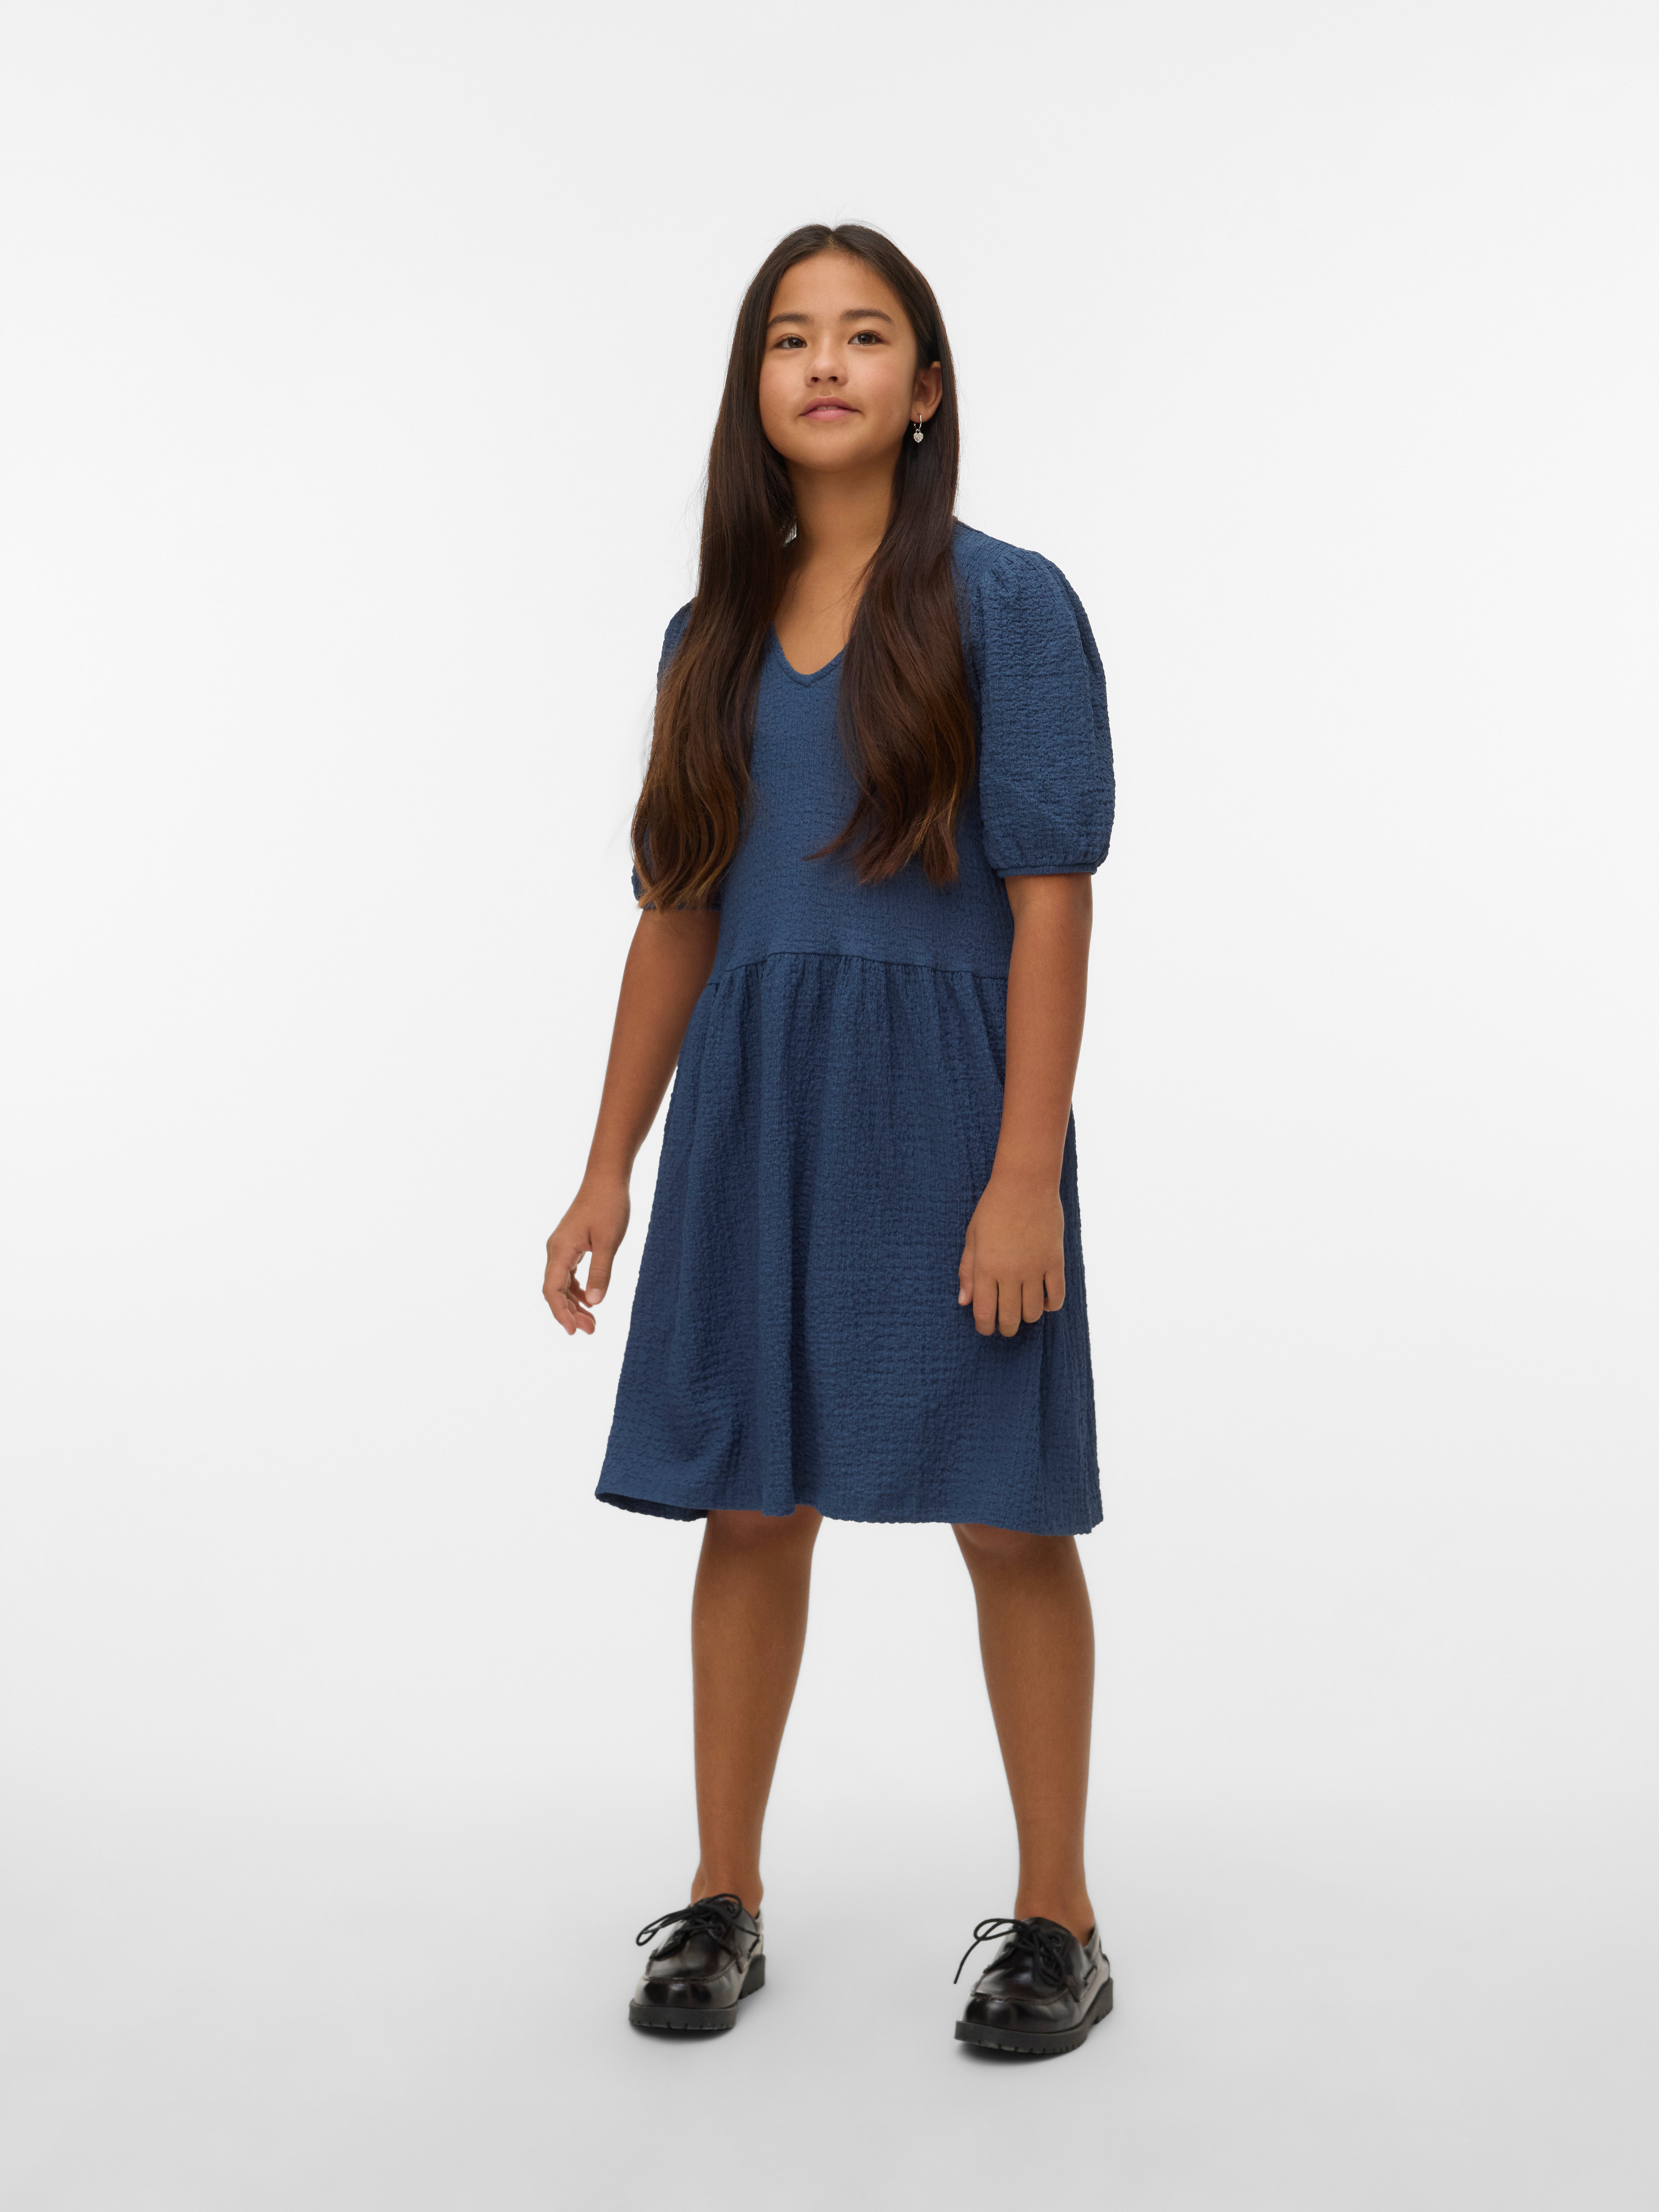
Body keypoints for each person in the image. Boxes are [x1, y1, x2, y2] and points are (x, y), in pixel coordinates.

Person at [544, 223, 1115, 2056]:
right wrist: (608, 1163)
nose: (827, 364)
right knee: (749, 1499)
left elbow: (1051, 902)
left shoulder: (1009, 607)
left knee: (1007, 1510)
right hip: (753, 1121)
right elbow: (678, 914)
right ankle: (724, 1894)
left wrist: (1023, 1172)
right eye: (792, 338)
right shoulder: (707, 638)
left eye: (867, 336)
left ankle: (1059, 1916)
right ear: (756, 389)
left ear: (925, 387)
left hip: (951, 1119)